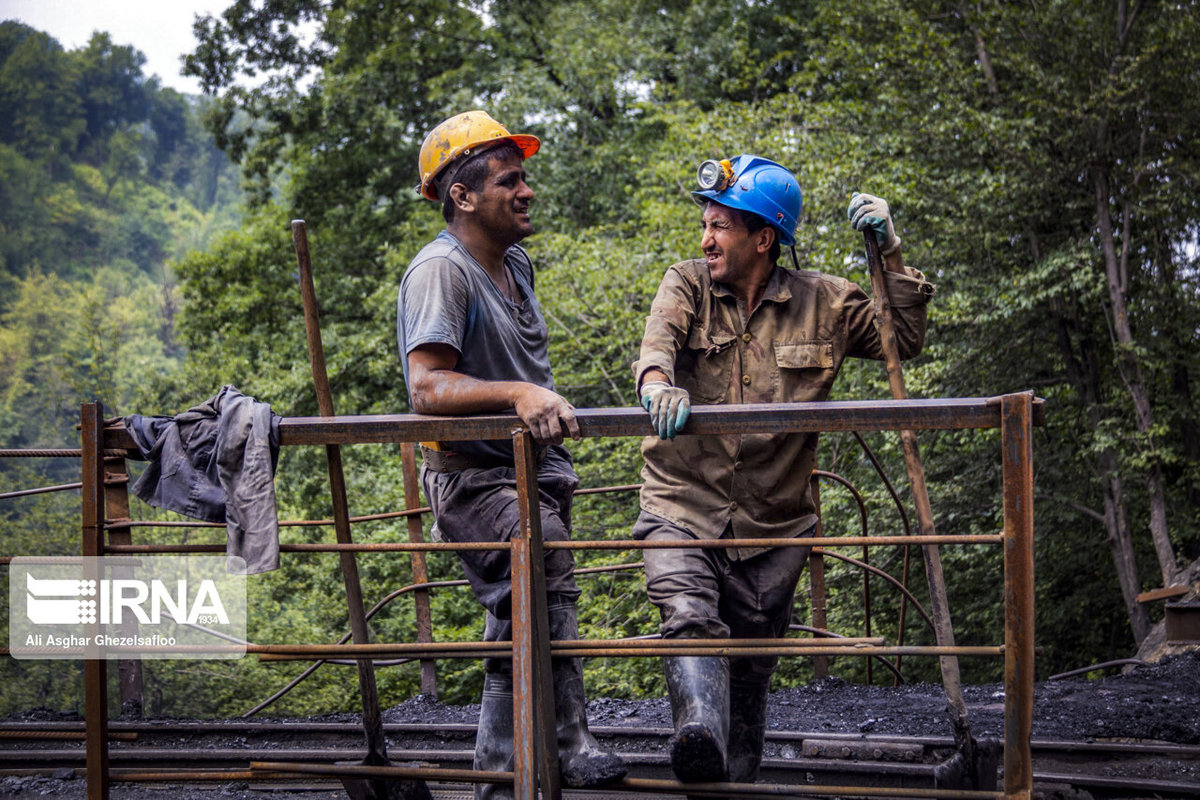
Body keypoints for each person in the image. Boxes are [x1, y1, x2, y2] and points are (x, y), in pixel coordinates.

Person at [631, 154, 935, 786]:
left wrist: (891, 252)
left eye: (720, 227)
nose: (705, 239)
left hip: (775, 520)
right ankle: (697, 738)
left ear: (763, 238)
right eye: (706, 224)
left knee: (752, 657)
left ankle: (733, 768)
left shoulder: (824, 301)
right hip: (681, 503)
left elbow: (900, 339)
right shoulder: (686, 282)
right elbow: (658, 341)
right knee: (686, 614)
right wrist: (657, 384)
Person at [397, 110, 626, 798]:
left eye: (524, 178)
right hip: (474, 478)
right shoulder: (442, 273)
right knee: (543, 560)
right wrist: (520, 394)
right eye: (509, 181)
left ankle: (498, 768)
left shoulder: (514, 261)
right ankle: (568, 740)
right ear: (461, 196)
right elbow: (427, 387)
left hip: (530, 468)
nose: (526, 192)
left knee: (513, 617)